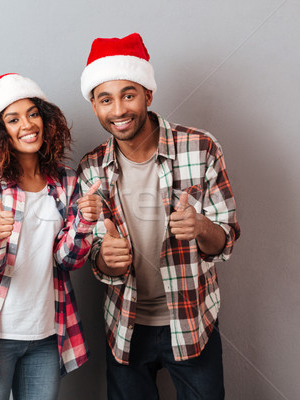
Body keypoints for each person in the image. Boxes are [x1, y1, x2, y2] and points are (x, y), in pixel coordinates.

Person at [76, 33, 241, 399]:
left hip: (193, 320)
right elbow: (96, 257)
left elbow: (226, 239)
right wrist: (108, 259)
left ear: (148, 95)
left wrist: (200, 227)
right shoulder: (91, 168)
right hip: (126, 326)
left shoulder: (201, 147)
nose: (118, 110)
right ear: (94, 106)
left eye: (128, 95)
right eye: (106, 99)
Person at [0, 73, 102, 400]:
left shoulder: (65, 180)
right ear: (0, 131)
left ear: (45, 119)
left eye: (33, 113)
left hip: (47, 334)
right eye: (13, 118)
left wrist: (84, 221)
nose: (27, 124)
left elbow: (67, 260)